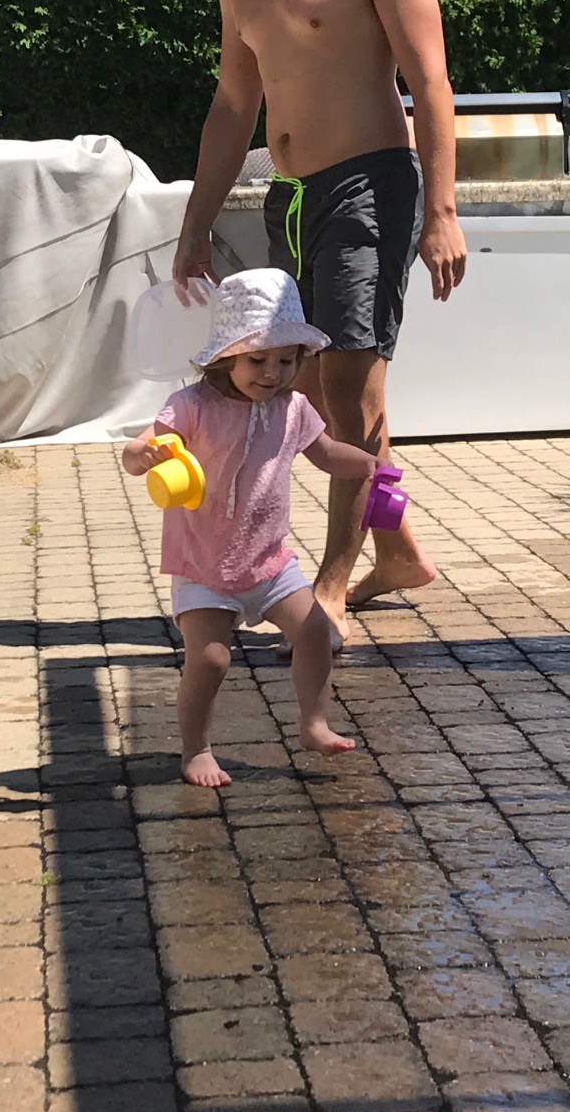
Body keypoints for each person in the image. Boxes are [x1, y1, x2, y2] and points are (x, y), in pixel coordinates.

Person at [172, 0, 468, 645]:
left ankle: (330, 584)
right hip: (292, 197)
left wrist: (442, 210)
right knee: (321, 385)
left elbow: (431, 81)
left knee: (344, 386)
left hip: (371, 183)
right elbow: (234, 105)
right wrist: (194, 226)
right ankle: (399, 550)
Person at [122, 269, 379, 787]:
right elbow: (140, 449)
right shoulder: (193, 406)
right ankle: (196, 749)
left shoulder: (293, 408)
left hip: (270, 562)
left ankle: (313, 722)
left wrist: (370, 464)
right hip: (203, 565)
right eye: (257, 360)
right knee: (211, 659)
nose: (273, 373)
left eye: (287, 360)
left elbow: (327, 454)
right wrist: (140, 455)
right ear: (226, 358)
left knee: (316, 632)